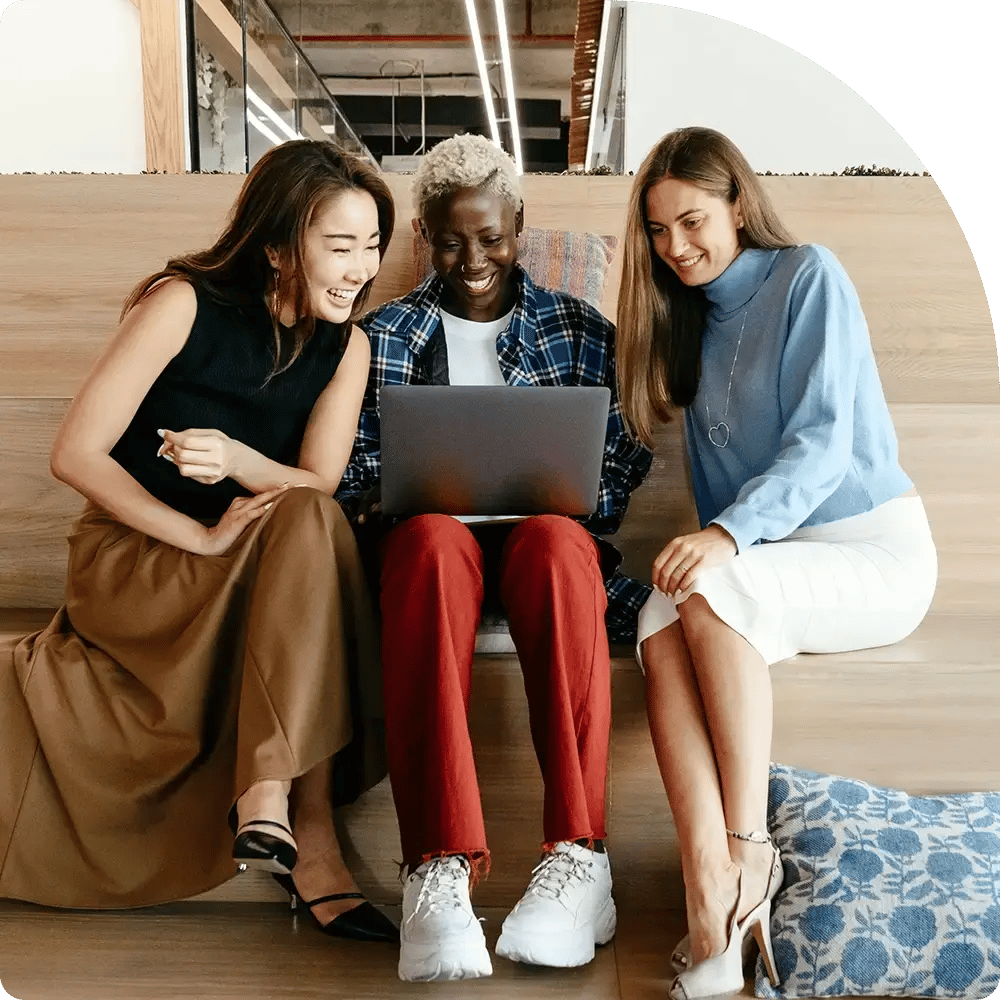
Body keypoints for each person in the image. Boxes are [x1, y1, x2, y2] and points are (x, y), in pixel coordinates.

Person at [0, 139, 397, 942]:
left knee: (316, 519)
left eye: (372, 245)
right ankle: (302, 829)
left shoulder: (348, 345)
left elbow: (317, 480)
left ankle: (273, 799)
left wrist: (239, 461)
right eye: (340, 246)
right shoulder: (181, 303)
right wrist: (198, 534)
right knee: (311, 530)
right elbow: (74, 454)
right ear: (277, 246)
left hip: (255, 558)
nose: (360, 269)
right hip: (139, 556)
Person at [615, 125, 937, 999]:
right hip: (779, 560)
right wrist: (720, 546)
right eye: (658, 231)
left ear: (736, 204)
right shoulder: (689, 321)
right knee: (657, 609)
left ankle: (748, 852)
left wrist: (725, 538)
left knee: (709, 586)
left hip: (873, 548)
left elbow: (825, 444)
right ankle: (707, 882)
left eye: (692, 221)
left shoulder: (808, 275)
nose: (676, 247)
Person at [336, 133, 653, 981]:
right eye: (449, 240)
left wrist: (575, 491)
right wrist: (396, 490)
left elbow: (622, 455)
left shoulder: (579, 328)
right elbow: (352, 466)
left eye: (491, 237)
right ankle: (436, 868)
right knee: (431, 541)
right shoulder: (382, 335)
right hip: (433, 551)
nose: (472, 260)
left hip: (543, 547)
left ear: (520, 225)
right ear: (423, 237)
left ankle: (581, 857)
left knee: (557, 543)